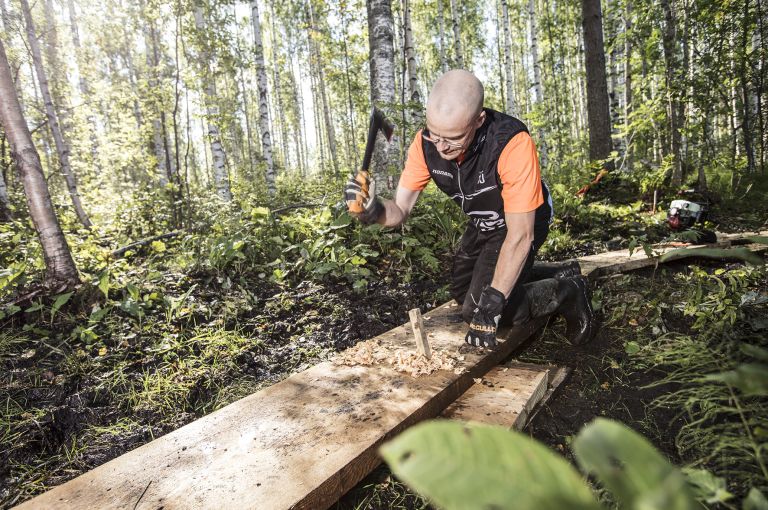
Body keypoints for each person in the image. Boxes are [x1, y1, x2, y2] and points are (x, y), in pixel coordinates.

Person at [345, 70, 596, 348]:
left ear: (479, 120)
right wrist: (375, 209)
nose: (441, 147)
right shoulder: (424, 144)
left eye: (453, 138)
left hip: (523, 221)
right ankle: (556, 271)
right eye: (435, 134)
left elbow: (520, 237)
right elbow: (400, 210)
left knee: (478, 308)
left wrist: (493, 304)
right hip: (483, 221)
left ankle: (568, 291)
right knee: (462, 292)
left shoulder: (510, 143)